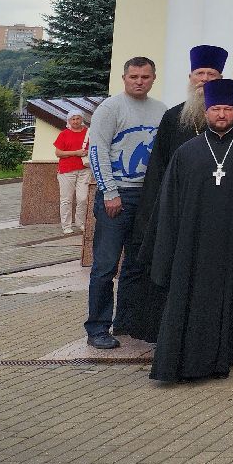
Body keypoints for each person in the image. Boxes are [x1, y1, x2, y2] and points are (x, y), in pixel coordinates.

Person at [148, 79, 233, 383]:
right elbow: (169, 205)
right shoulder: (186, 152)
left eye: (228, 109)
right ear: (206, 112)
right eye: (216, 109)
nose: (222, 114)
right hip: (193, 245)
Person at [124, 44, 228, 343]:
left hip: (213, 214)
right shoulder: (173, 118)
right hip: (178, 212)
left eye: (211, 74)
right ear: (190, 77)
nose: (205, 79)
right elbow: (157, 169)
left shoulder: (229, 120)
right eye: (200, 73)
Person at [83, 57, 163, 350]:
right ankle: (97, 327)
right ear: (124, 78)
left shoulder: (160, 110)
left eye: (144, 76)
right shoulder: (110, 108)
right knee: (105, 265)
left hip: (147, 196)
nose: (138, 81)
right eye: (133, 76)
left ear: (153, 78)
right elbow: (98, 150)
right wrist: (109, 191)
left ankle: (126, 321)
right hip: (117, 195)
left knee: (136, 264)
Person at [54, 110, 90, 235]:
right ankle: (66, 225)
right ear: (69, 121)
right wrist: (76, 152)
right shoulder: (64, 134)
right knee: (66, 199)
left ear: (82, 120)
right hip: (66, 171)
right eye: (73, 119)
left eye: (78, 118)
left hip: (84, 170)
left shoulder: (88, 133)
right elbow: (58, 153)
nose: (75, 121)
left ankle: (80, 223)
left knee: (83, 198)